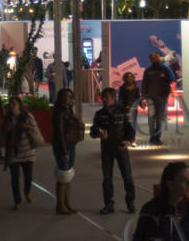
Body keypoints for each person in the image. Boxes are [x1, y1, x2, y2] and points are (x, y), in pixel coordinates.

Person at [91, 86, 138, 215]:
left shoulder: (123, 112)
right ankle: (109, 204)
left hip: (120, 147)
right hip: (106, 148)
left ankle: (130, 203)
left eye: (106, 97)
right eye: (103, 97)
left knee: (127, 176)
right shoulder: (99, 114)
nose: (104, 100)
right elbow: (92, 132)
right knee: (107, 178)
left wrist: (127, 141)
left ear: (113, 98)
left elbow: (131, 129)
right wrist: (97, 134)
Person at [5, 95, 43, 209]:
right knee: (14, 178)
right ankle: (17, 200)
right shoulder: (8, 119)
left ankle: (27, 192)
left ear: (19, 105)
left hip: (27, 151)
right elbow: (1, 135)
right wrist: (6, 130)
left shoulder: (27, 116)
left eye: (14, 103)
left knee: (28, 177)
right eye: (10, 104)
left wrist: (27, 127)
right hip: (14, 152)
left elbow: (35, 129)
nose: (12, 106)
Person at [52, 87, 85, 215]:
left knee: (68, 174)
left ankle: (66, 202)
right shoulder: (60, 112)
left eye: (71, 96)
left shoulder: (69, 110)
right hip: (63, 146)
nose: (70, 98)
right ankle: (60, 205)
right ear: (62, 98)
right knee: (63, 174)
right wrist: (63, 151)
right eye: (67, 96)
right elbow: (59, 132)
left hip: (71, 144)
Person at [142, 52, 175, 145]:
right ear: (151, 60)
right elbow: (144, 84)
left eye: (156, 57)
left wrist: (166, 94)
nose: (155, 59)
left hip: (162, 98)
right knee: (151, 117)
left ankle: (157, 137)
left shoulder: (165, 70)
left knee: (160, 118)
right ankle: (152, 137)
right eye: (153, 58)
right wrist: (144, 98)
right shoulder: (147, 71)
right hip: (150, 97)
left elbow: (168, 83)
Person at [119, 71, 143, 140]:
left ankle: (133, 139)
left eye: (131, 77)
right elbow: (121, 98)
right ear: (125, 78)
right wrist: (122, 108)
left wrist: (141, 104)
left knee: (133, 124)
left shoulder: (136, 86)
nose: (130, 78)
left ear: (133, 78)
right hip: (125, 108)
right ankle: (126, 138)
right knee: (126, 124)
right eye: (128, 77)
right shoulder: (122, 87)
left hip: (134, 108)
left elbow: (138, 97)